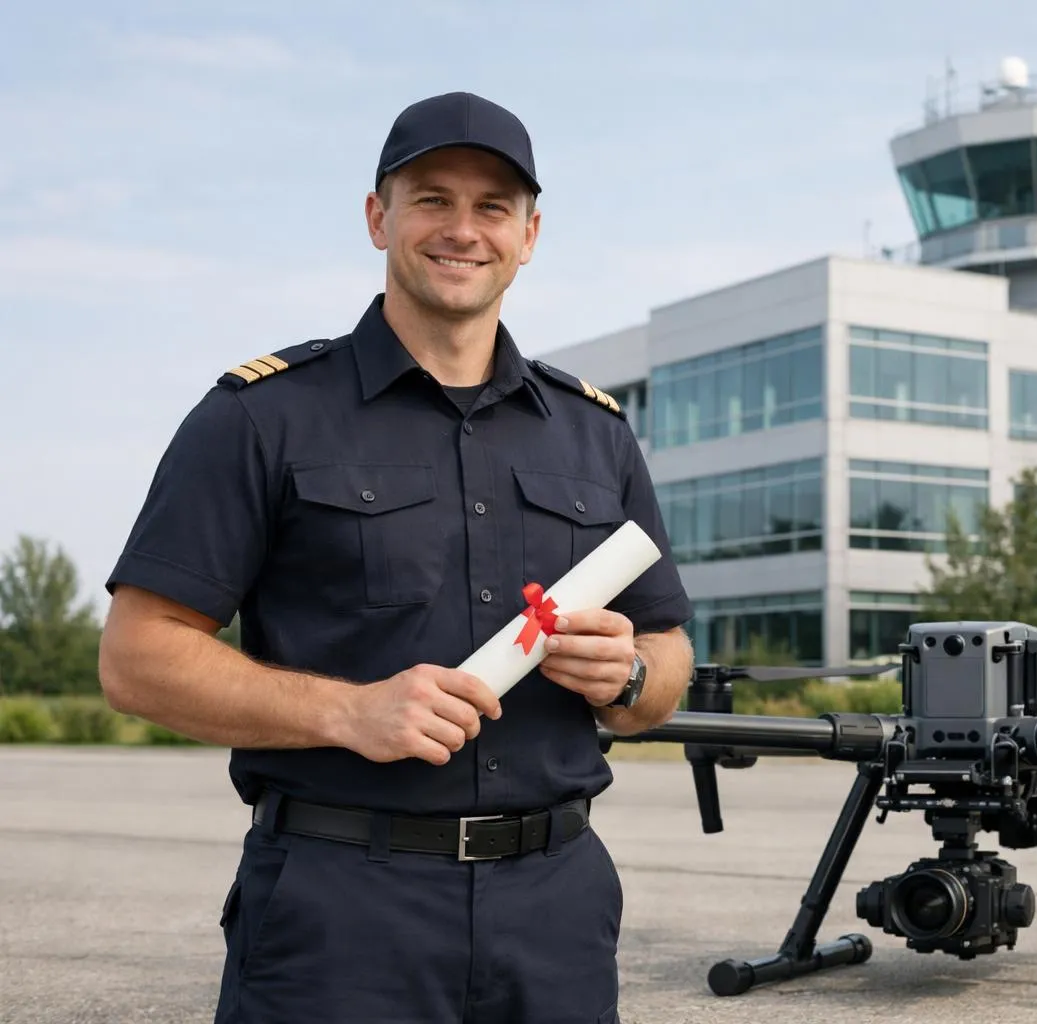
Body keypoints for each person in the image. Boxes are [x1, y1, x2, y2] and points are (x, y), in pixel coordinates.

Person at [97, 91, 694, 1024]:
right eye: (432, 199)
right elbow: (137, 659)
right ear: (378, 217)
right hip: (341, 918)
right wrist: (349, 711)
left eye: (493, 207)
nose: (464, 229)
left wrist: (627, 675)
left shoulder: (596, 435)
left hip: (560, 916)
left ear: (530, 234)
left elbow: (667, 661)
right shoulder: (262, 416)